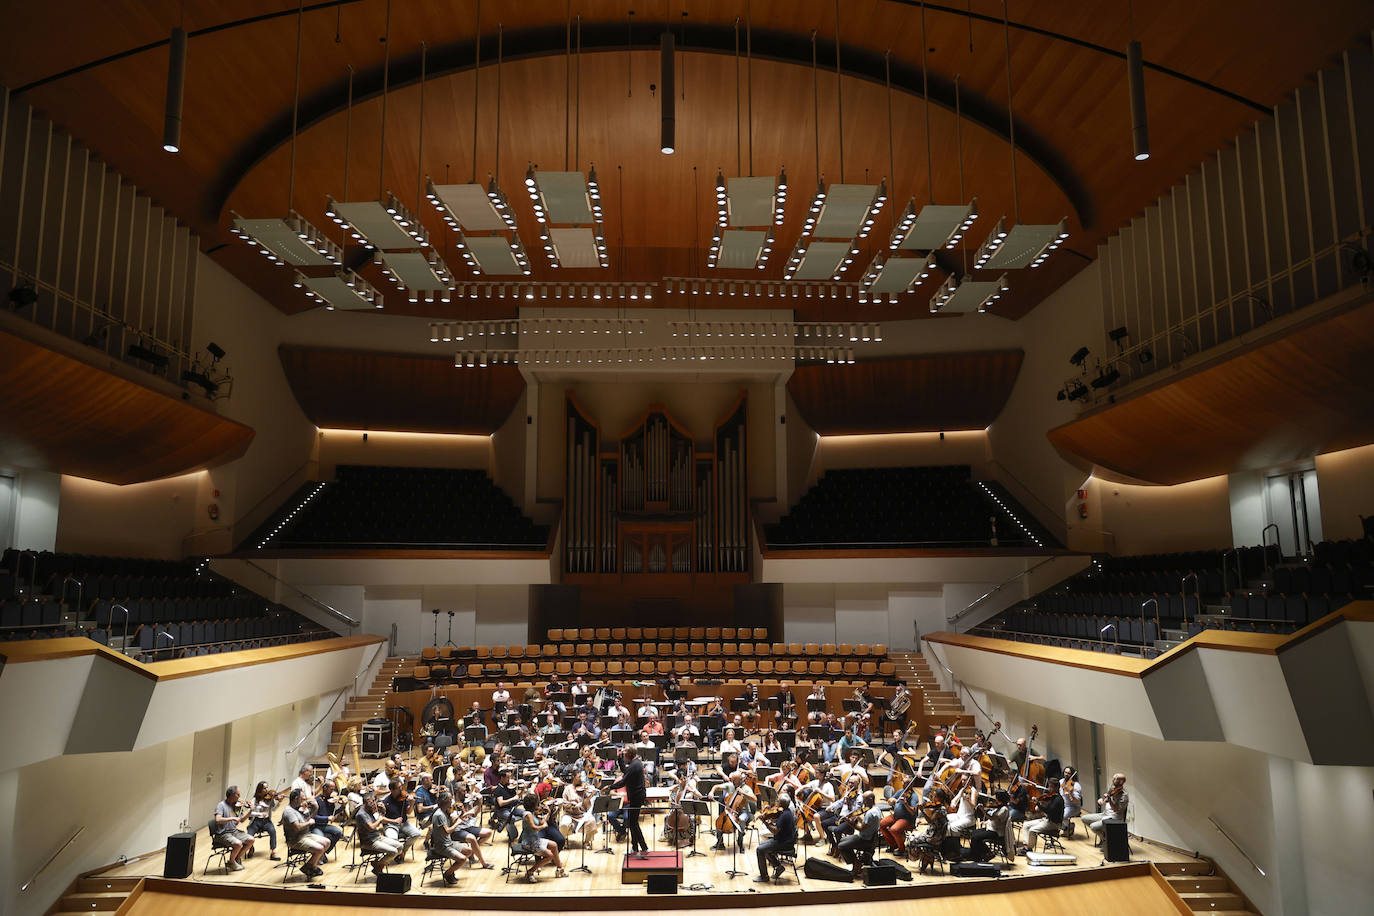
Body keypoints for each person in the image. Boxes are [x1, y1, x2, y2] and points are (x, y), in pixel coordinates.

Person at [515, 793, 565, 881]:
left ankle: (559, 869)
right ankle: (530, 872)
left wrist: (548, 813)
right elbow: (534, 828)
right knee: (550, 856)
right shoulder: (527, 815)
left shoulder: (531, 813)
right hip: (529, 843)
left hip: (535, 840)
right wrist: (543, 827)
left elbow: (541, 822)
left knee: (554, 845)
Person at [280, 788, 328, 878]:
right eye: (302, 799)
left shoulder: (299, 808)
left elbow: (307, 820)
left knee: (327, 842)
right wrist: (309, 823)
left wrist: (315, 808)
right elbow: (298, 827)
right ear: (296, 799)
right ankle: (310, 867)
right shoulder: (289, 811)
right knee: (320, 849)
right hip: (296, 839)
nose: (304, 801)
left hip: (306, 835)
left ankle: (309, 866)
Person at [610, 745, 648, 855]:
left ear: (630, 753)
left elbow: (624, 781)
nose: (623, 752)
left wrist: (610, 787)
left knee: (633, 823)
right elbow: (625, 772)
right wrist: (619, 758)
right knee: (633, 823)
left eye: (625, 751)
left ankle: (642, 847)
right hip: (636, 796)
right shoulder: (634, 763)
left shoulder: (635, 765)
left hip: (636, 797)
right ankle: (636, 848)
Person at [427, 789, 470, 885]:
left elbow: (451, 823)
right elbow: (447, 831)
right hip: (441, 846)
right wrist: (457, 823)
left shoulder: (446, 811)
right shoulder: (439, 815)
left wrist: (461, 814)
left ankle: (451, 871)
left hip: (449, 843)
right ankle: (447, 874)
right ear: (445, 801)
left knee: (469, 851)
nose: (452, 801)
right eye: (450, 799)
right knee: (463, 859)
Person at [354, 793, 403, 876]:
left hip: (377, 837)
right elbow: (372, 827)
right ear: (366, 801)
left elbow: (381, 818)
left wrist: (389, 817)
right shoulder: (361, 814)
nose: (374, 803)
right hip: (369, 842)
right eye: (372, 801)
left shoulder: (369, 809)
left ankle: (378, 864)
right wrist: (379, 819)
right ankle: (378, 866)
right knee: (393, 852)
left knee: (400, 846)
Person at [836, 791, 881, 878]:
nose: (863, 801)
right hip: (870, 836)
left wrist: (849, 822)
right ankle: (857, 861)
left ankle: (856, 863)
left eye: (864, 799)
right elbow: (867, 825)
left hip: (865, 840)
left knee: (841, 846)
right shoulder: (877, 809)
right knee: (842, 840)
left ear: (870, 799)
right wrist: (859, 819)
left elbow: (860, 829)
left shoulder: (870, 813)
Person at [754, 795, 796, 883]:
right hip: (784, 840)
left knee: (760, 849)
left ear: (782, 804)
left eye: (778, 801)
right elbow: (778, 824)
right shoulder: (786, 812)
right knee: (763, 846)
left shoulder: (784, 815)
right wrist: (771, 821)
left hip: (784, 843)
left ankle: (764, 876)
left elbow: (775, 831)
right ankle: (778, 867)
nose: (776, 802)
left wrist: (765, 822)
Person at [211, 786, 256, 871]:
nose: (240, 797)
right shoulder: (221, 805)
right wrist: (232, 818)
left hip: (234, 832)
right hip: (223, 834)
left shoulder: (236, 806)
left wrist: (250, 811)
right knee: (238, 844)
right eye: (238, 794)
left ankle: (236, 858)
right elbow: (218, 820)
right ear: (231, 795)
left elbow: (242, 820)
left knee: (251, 840)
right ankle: (231, 862)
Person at [710, 771, 755, 854]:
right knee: (719, 821)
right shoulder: (730, 785)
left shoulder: (746, 788)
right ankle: (720, 843)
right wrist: (712, 792)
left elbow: (754, 799)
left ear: (740, 779)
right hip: (730, 810)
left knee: (741, 819)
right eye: (732, 780)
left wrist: (743, 793)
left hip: (744, 811)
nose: (733, 781)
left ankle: (740, 842)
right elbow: (716, 786)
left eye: (735, 780)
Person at [1081, 773, 1129, 843]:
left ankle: (1106, 841)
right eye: (1113, 778)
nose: (1113, 780)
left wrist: (1110, 800)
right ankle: (1104, 837)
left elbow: (1116, 810)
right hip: (1105, 814)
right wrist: (1102, 801)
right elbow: (1106, 799)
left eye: (1116, 779)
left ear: (1122, 782)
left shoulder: (1124, 795)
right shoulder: (1112, 788)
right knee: (1084, 818)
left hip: (1114, 818)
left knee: (1093, 826)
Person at [382, 778, 422, 855]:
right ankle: (397, 854)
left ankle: (403, 851)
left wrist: (412, 803)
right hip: (391, 825)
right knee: (392, 839)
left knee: (417, 833)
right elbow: (382, 819)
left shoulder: (404, 798)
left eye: (401, 787)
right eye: (399, 788)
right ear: (392, 790)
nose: (401, 789)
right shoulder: (386, 802)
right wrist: (394, 821)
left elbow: (409, 812)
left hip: (404, 823)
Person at [1024, 778, 1066, 852]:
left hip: (1054, 823)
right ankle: (1026, 845)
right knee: (1026, 825)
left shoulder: (1058, 799)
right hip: (1047, 819)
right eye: (1049, 786)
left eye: (1051, 787)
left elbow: (1049, 810)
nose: (1049, 789)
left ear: (1056, 788)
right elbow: (1047, 808)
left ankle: (1029, 849)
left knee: (1032, 830)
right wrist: (1040, 804)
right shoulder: (1052, 797)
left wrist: (1038, 804)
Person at [246, 782, 281, 860]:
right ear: (260, 789)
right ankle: (251, 848)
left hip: (266, 821)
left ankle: (273, 851)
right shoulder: (254, 800)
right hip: (255, 821)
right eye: (264, 788)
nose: (267, 790)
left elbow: (273, 809)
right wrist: (259, 814)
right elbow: (250, 813)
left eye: (267, 788)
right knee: (249, 834)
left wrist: (279, 802)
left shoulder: (269, 799)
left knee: (273, 831)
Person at [311, 781, 346, 851]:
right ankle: (320, 854)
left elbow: (333, 813)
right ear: (325, 788)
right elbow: (314, 817)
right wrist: (327, 818)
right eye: (331, 789)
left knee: (339, 833)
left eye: (333, 789)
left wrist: (343, 806)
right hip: (316, 826)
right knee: (321, 839)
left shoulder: (330, 800)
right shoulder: (316, 800)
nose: (332, 792)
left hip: (324, 825)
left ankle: (325, 851)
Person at [1060, 766, 1083, 836]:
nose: (1066, 774)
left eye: (1069, 773)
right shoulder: (1061, 781)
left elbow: (1076, 801)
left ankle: (1070, 826)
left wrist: (1070, 795)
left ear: (1072, 774)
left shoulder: (1076, 785)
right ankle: (1064, 827)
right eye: (1065, 772)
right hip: (1063, 805)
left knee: (1062, 816)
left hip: (1073, 807)